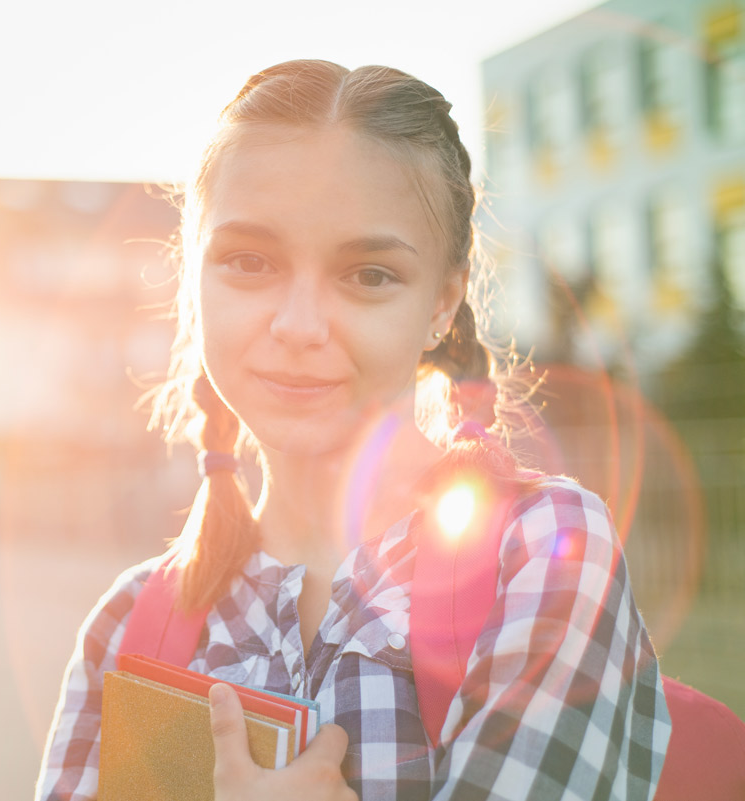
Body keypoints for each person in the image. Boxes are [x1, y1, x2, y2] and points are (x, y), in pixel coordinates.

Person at [35, 59, 669, 800]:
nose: (300, 325)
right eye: (249, 261)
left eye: (369, 274)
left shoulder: (541, 554)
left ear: (442, 301)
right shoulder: (126, 629)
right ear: (192, 279)